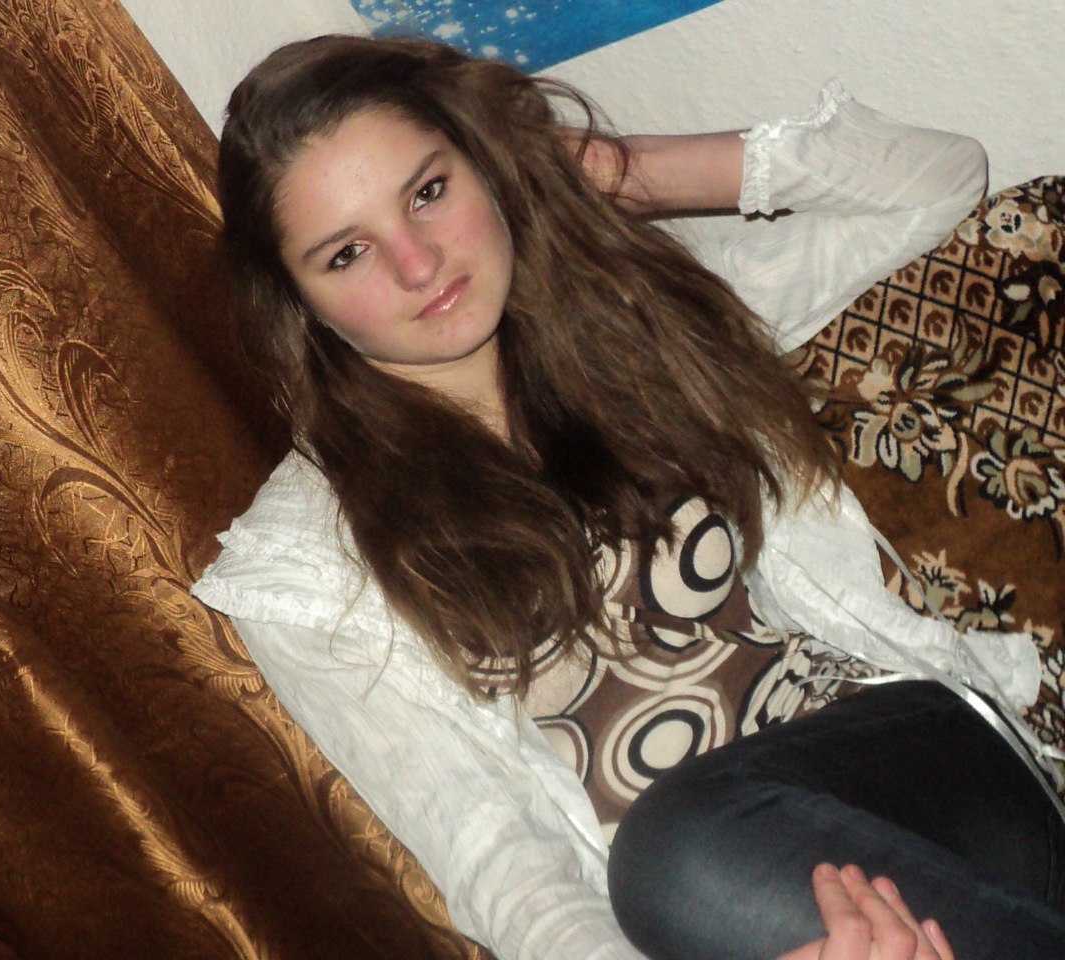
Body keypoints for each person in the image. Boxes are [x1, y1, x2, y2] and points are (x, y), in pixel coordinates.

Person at [193, 33, 1065, 960]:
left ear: (481, 163)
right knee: (680, 866)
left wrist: (602, 172)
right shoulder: (303, 568)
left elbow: (938, 180)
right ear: (298, 302)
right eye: (347, 253)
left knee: (678, 844)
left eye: (429, 192)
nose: (419, 265)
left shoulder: (647, 319)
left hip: (928, 784)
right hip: (718, 919)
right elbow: (497, 860)